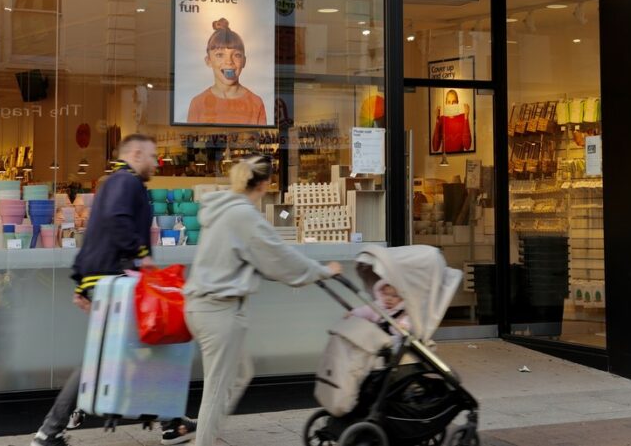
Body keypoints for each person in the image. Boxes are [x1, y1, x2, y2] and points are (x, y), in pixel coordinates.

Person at [31, 134, 196, 446]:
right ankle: (49, 431)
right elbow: (117, 222)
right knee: (113, 353)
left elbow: (96, 232)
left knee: (143, 346)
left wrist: (83, 281)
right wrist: (141, 255)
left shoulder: (114, 183)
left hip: (104, 279)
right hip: (116, 280)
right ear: (135, 154)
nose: (156, 162)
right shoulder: (126, 182)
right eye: (151, 155)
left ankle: (170, 422)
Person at [184, 154, 343, 446]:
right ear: (266, 183)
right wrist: (322, 271)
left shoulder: (222, 208)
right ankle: (205, 439)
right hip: (219, 310)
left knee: (241, 372)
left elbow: (260, 258)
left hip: (200, 305)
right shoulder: (243, 215)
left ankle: (210, 431)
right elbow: (279, 256)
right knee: (217, 389)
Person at [187, 18, 267, 125]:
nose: (229, 62)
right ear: (208, 61)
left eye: (237, 55)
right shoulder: (197, 103)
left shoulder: (256, 103)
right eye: (220, 55)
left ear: (244, 61)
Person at [348, 280, 412, 351]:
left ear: (402, 299)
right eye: (386, 294)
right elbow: (365, 311)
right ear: (381, 294)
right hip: (377, 336)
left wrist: (404, 326)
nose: (389, 298)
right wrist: (353, 313)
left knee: (398, 340)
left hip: (393, 338)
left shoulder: (404, 312)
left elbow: (408, 322)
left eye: (395, 296)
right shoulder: (378, 306)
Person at [431, 89, 472, 153]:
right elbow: (435, 147)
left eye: (454, 102)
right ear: (446, 103)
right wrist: (437, 120)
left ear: (457, 102)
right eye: (449, 102)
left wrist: (466, 117)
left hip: (459, 158)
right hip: (445, 160)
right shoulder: (442, 119)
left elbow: (467, 146)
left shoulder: (463, 117)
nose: (451, 104)